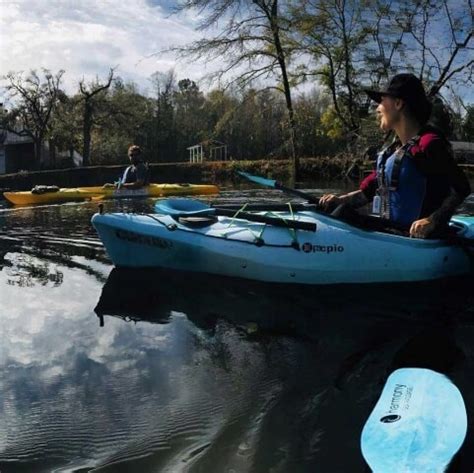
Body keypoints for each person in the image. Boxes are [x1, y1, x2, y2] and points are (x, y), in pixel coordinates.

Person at [319, 73, 471, 238]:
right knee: (340, 211)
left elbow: (461, 188)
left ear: (398, 103)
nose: (377, 108)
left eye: (382, 101)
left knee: (342, 215)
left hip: (416, 241)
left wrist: (433, 220)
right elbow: (368, 192)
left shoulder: (429, 144)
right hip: (392, 234)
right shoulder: (393, 152)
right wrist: (340, 200)